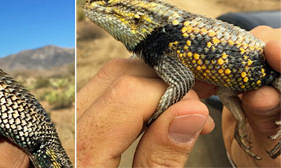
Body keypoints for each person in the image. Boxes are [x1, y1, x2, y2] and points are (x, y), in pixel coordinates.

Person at [77, 26, 280, 167]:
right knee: (227, 95)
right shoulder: (156, 45)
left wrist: (156, 115)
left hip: (264, 71)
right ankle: (242, 127)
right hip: (232, 86)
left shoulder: (162, 38)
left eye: (108, 2)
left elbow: (182, 81)